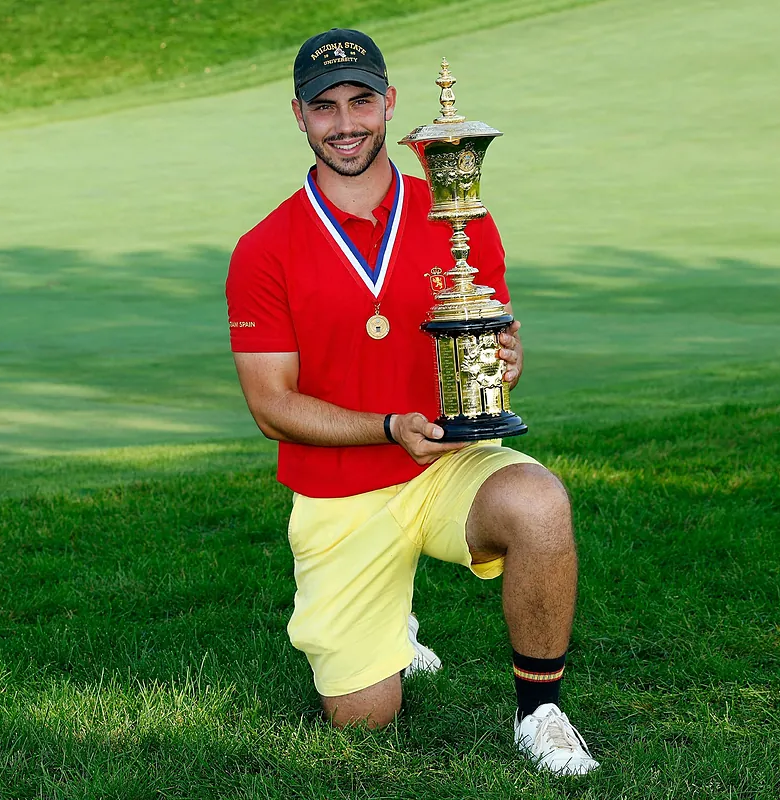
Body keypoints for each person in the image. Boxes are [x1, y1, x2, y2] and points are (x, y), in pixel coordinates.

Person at [224, 28, 598, 776]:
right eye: (324, 107)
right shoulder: (264, 248)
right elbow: (271, 405)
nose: (346, 122)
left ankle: (541, 712)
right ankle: (391, 619)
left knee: (541, 503)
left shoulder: (460, 213)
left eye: (361, 100)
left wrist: (504, 364)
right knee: (364, 721)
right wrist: (389, 426)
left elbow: (485, 350)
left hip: (446, 464)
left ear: (389, 102)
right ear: (299, 116)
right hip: (339, 491)